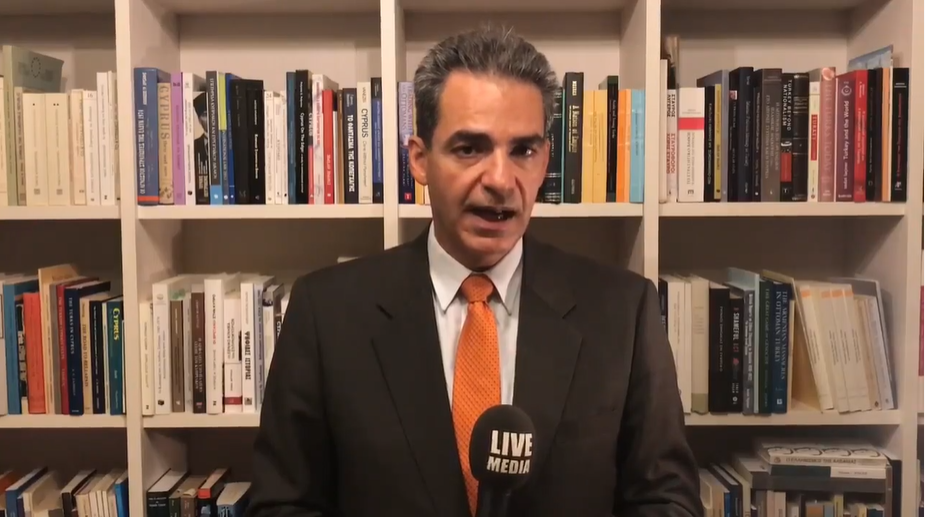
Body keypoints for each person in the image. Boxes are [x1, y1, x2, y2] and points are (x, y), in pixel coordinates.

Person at [247, 25, 703, 517]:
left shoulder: (624, 311)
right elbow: (282, 505)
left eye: (523, 151)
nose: (501, 180)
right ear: (419, 160)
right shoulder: (325, 313)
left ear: (545, 161)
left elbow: (667, 501)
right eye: (469, 149)